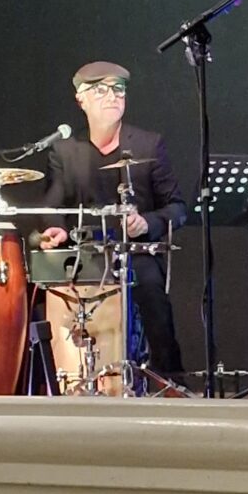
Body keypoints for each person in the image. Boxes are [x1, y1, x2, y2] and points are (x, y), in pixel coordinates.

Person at [41, 60, 186, 377]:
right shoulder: (65, 150)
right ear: (81, 99)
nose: (112, 96)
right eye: (101, 90)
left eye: (118, 89)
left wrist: (146, 223)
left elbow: (177, 207)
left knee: (151, 291)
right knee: (40, 287)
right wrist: (56, 230)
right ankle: (58, 380)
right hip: (85, 254)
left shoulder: (148, 144)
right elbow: (52, 207)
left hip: (135, 252)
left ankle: (169, 380)